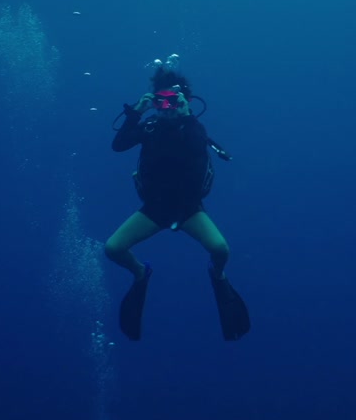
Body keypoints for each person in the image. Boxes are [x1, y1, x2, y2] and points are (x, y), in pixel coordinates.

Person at [104, 57, 250, 341]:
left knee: (221, 250)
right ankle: (139, 272)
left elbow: (197, 146)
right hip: (155, 209)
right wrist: (136, 112)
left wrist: (184, 114)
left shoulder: (193, 127)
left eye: (173, 99)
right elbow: (118, 145)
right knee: (113, 248)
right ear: (154, 101)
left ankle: (218, 277)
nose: (167, 106)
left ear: (185, 99)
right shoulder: (149, 128)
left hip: (188, 209)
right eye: (161, 101)